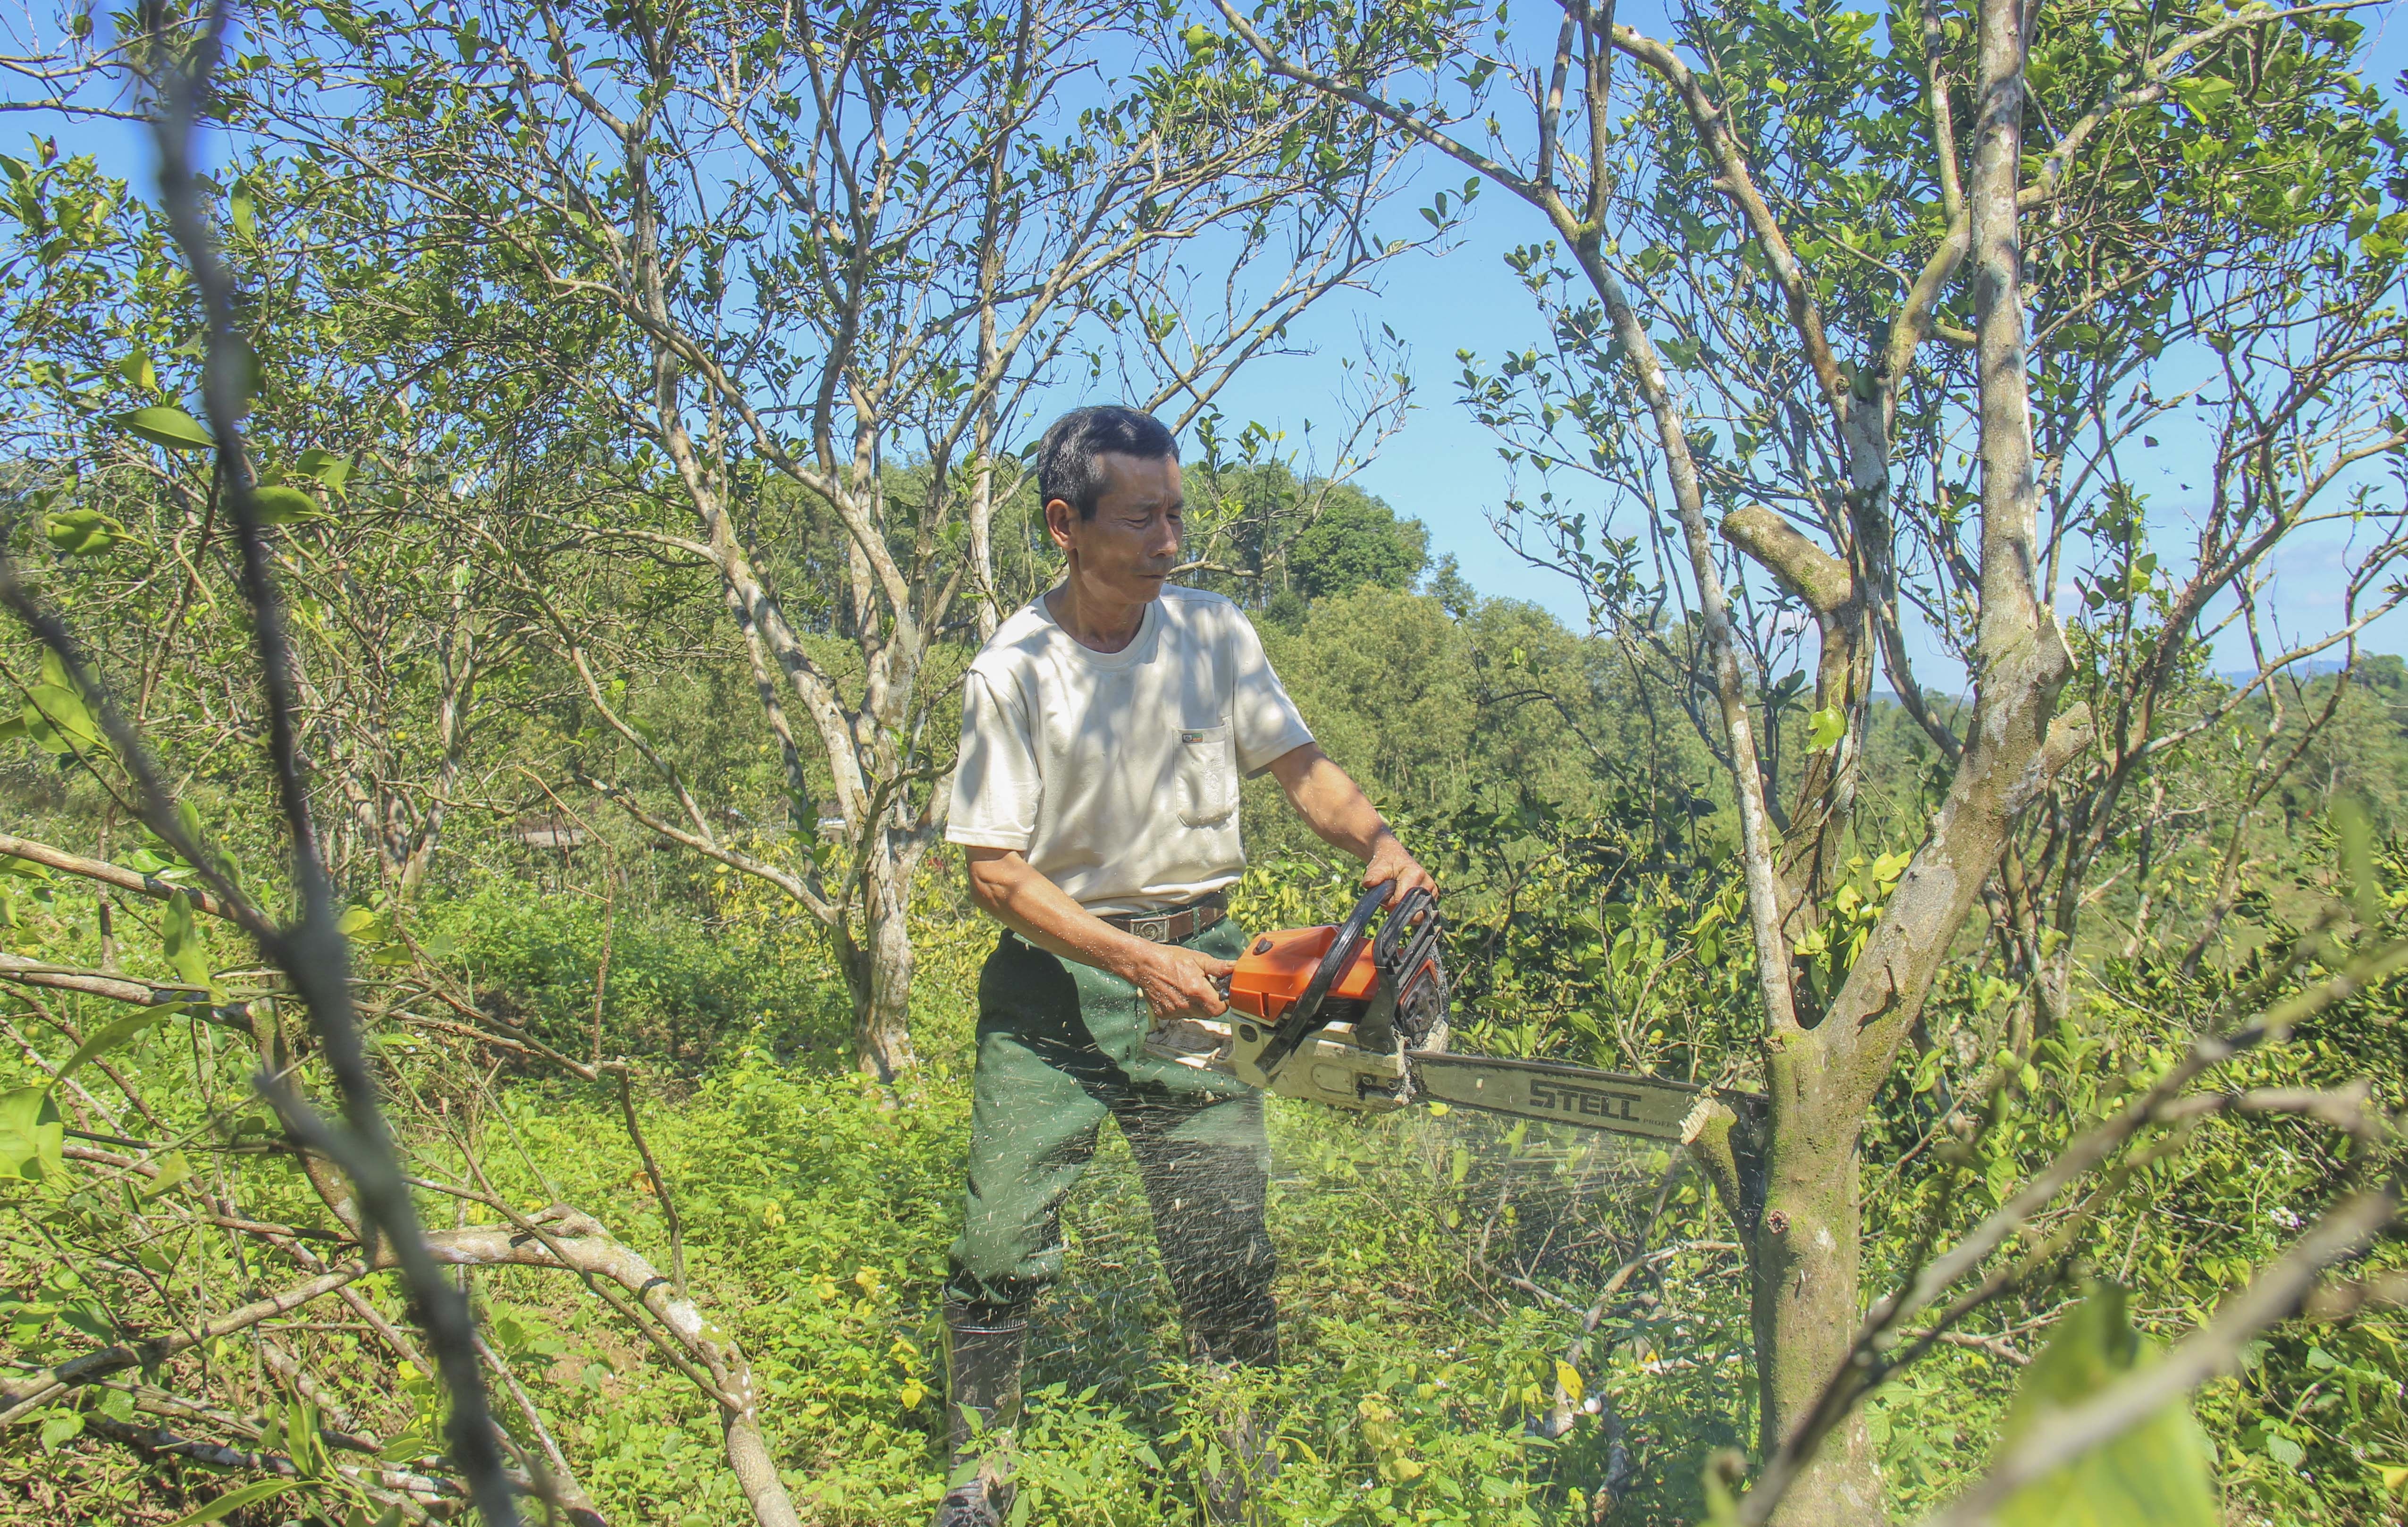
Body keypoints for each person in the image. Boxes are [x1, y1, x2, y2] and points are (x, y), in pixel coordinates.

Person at [935, 405, 1437, 1526]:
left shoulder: (1212, 633)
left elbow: (1299, 766)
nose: (1169, 539)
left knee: (1223, 1236)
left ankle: (1235, 1471)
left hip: (1206, 960)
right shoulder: (1012, 671)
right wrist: (1127, 960)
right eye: (1142, 517)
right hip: (1052, 981)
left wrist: (1380, 843)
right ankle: (980, 1479)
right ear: (1065, 524)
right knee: (997, 1239)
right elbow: (994, 873)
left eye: (1177, 513)